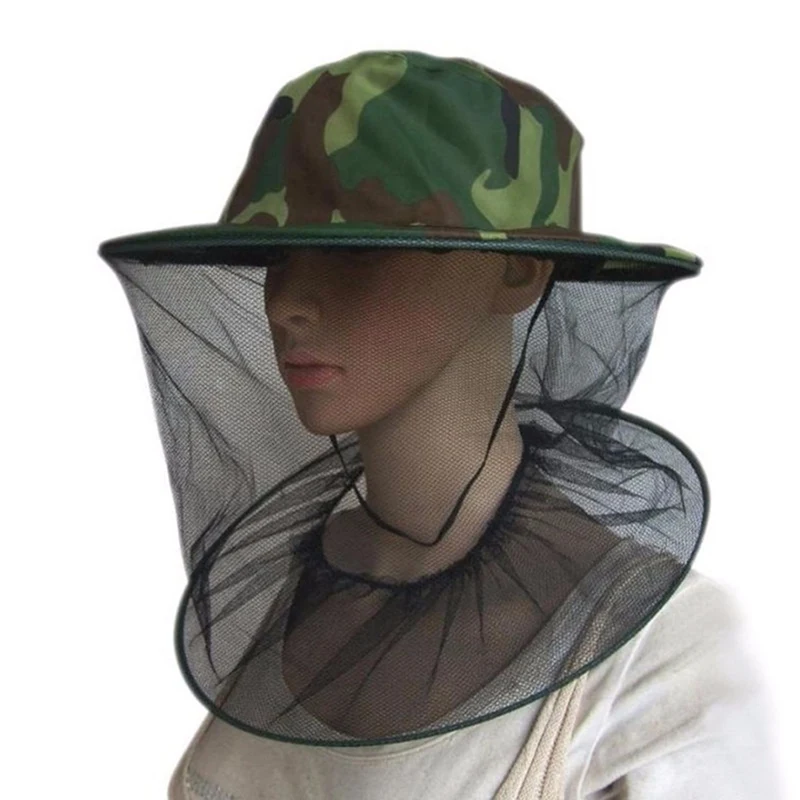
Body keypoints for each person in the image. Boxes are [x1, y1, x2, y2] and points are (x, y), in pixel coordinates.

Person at [98, 49, 781, 798]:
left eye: (358, 255)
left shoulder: (669, 652)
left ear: (516, 272)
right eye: (281, 255)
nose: (287, 303)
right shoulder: (302, 586)